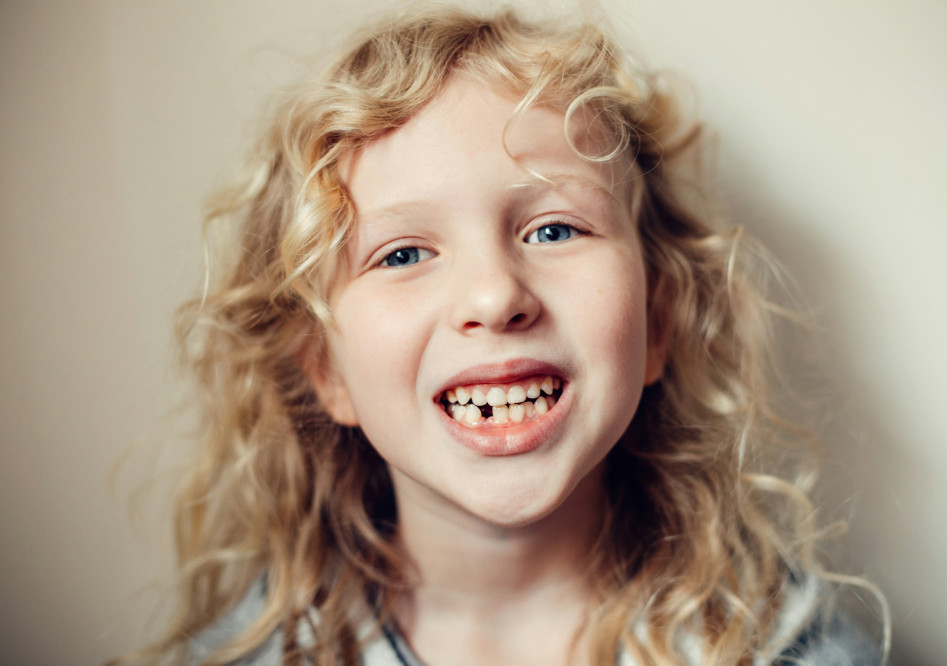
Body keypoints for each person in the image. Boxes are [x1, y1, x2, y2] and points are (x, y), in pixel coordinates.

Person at [134, 5, 888, 665]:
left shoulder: (785, 647)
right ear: (326, 370)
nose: (494, 297)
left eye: (554, 229)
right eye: (403, 254)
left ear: (659, 320)